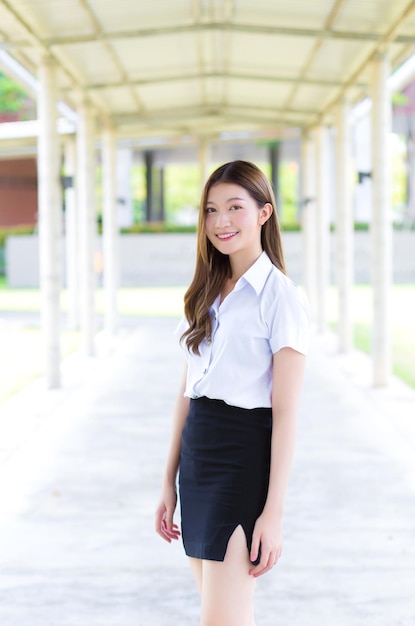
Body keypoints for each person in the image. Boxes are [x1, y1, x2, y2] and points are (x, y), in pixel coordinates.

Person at [155, 160, 310, 626]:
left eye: (235, 207)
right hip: (198, 463)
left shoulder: (281, 297)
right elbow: (187, 393)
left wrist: (273, 513)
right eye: (210, 209)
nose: (221, 221)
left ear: (264, 213)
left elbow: (286, 414)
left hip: (242, 463)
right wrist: (168, 481)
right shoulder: (201, 294)